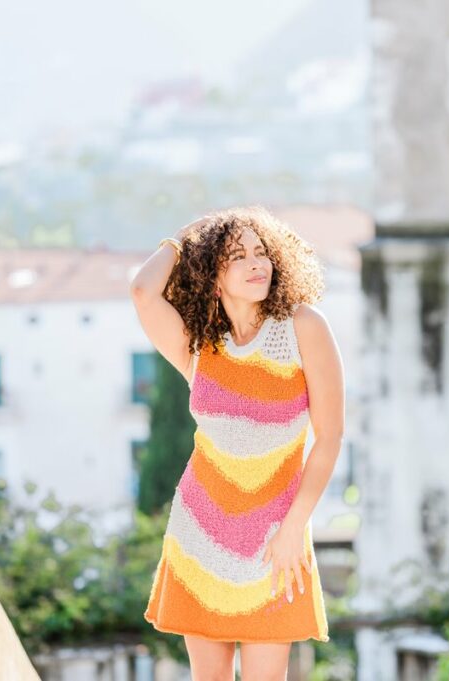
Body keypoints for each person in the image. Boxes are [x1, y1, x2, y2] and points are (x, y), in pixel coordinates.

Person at [130, 206, 343, 680]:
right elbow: (144, 292)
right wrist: (190, 234)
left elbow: (329, 438)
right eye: (237, 255)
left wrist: (294, 528)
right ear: (211, 274)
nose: (256, 264)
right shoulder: (199, 345)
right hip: (199, 538)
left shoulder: (303, 327)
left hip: (275, 545)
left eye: (262, 252)